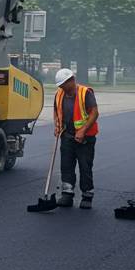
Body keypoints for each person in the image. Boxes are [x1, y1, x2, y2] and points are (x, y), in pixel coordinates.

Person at [52, 68, 100, 209]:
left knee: (85, 167)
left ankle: (87, 195)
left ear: (72, 81)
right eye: (60, 86)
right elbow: (56, 111)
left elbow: (95, 113)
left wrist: (83, 130)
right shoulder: (59, 94)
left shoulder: (85, 93)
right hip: (67, 136)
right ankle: (67, 193)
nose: (62, 88)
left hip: (85, 139)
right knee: (66, 166)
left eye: (63, 85)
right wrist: (56, 125)